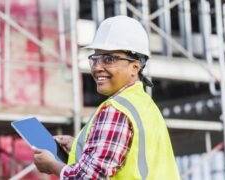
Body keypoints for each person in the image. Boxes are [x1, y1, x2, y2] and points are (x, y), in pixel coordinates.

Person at [33, 15, 180, 179]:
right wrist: (77, 146)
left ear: (135, 67)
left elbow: (88, 178)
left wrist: (53, 164)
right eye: (95, 59)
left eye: (109, 59)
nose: (97, 68)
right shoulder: (145, 105)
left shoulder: (116, 109)